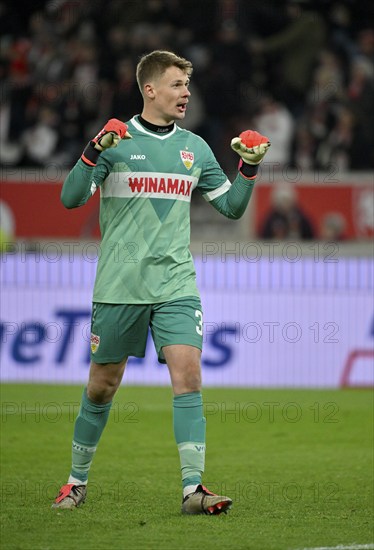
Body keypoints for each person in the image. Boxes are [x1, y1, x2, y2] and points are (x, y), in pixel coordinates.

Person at [52, 50, 270, 515]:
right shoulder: (117, 142)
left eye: (187, 85)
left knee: (188, 375)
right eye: (176, 84)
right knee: (102, 387)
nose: (185, 93)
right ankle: (75, 483)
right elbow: (71, 199)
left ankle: (193, 490)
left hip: (175, 284)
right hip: (119, 287)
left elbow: (231, 208)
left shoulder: (197, 149)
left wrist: (248, 167)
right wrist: (93, 150)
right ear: (149, 89)